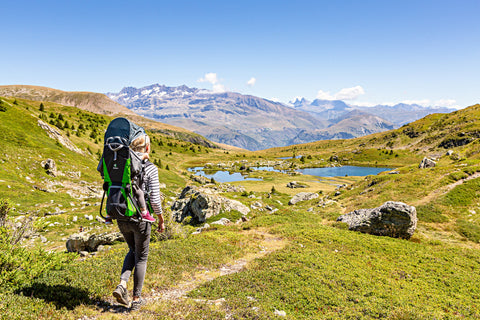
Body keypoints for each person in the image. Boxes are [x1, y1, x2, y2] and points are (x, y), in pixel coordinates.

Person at [112, 133, 165, 311]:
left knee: (132, 250)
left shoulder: (122, 166)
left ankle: (122, 284)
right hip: (140, 219)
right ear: (147, 148)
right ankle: (136, 299)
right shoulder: (150, 168)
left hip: (121, 216)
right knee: (141, 257)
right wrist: (160, 218)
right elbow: (155, 200)